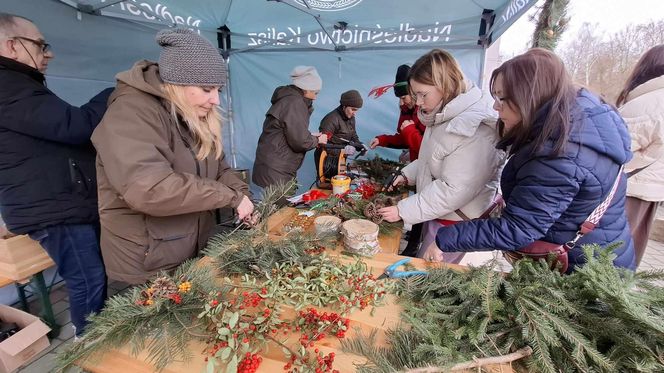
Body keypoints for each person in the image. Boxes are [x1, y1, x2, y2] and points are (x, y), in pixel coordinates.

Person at [433, 48, 635, 271]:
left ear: (528, 97)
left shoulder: (559, 155)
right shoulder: (583, 122)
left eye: (502, 98)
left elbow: (518, 229)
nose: (495, 106)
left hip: (585, 271)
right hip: (605, 251)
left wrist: (444, 239)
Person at [92, 29, 253, 285]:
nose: (215, 100)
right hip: (147, 267)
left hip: (190, 249)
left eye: (218, 90)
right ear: (177, 84)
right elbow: (149, 188)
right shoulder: (131, 113)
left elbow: (219, 168)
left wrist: (243, 195)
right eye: (207, 89)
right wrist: (230, 197)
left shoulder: (193, 114)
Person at [0, 13, 112, 337]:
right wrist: (111, 93)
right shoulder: (10, 88)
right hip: (56, 209)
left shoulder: (19, 86)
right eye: (41, 45)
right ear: (12, 45)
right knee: (87, 278)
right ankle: (91, 344)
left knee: (90, 276)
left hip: (56, 205)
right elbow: (75, 126)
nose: (48, 53)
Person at [377, 49, 503, 265]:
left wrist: (403, 210)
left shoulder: (475, 126)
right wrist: (406, 174)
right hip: (440, 213)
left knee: (425, 280)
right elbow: (431, 160)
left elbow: (453, 189)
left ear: (444, 84)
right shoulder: (443, 114)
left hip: (454, 223)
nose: (417, 102)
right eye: (415, 94)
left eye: (422, 94)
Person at [616, 44, 664, 268]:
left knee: (603, 262)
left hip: (627, 193)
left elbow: (613, 151)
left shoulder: (649, 103)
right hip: (651, 192)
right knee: (626, 263)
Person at [252, 66, 328, 193]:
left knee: (274, 207)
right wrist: (318, 140)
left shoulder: (288, 99)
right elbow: (300, 142)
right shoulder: (295, 103)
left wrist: (310, 135)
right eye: (315, 93)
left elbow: (288, 131)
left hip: (272, 165)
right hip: (277, 169)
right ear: (305, 88)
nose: (315, 98)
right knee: (281, 209)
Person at [369, 64, 426, 163]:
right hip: (417, 166)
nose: (402, 102)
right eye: (400, 98)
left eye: (404, 97)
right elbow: (405, 139)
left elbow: (427, 148)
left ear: (413, 92)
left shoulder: (426, 112)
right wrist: (382, 140)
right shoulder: (407, 110)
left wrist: (409, 130)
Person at [313, 89, 364, 176]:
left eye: (356, 110)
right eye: (353, 109)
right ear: (344, 106)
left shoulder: (351, 117)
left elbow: (353, 135)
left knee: (342, 183)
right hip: (325, 163)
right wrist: (343, 150)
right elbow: (322, 145)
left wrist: (360, 146)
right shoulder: (331, 119)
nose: (355, 113)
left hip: (341, 160)